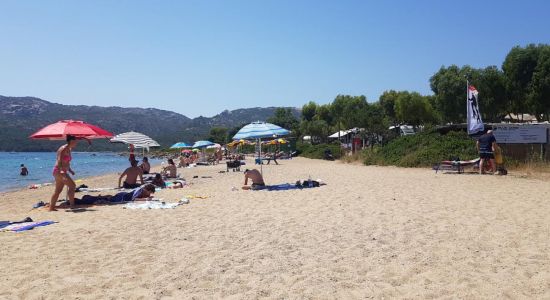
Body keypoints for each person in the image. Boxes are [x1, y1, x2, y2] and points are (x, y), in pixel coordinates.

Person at [49, 135, 78, 211]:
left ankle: (51, 208)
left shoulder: (69, 149)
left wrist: (70, 170)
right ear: (71, 141)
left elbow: (66, 162)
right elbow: (59, 160)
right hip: (59, 171)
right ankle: (72, 205)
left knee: (58, 190)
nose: (76, 143)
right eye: (75, 141)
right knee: (72, 186)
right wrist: (62, 171)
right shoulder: (63, 148)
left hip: (59, 171)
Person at [70, 184, 156, 205]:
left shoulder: (143, 191)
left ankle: (87, 197)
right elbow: (134, 199)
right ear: (147, 190)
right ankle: (85, 198)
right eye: (150, 192)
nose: (149, 194)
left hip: (123, 195)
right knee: (106, 200)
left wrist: (147, 197)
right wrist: (145, 199)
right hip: (122, 197)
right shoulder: (140, 190)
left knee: (108, 198)